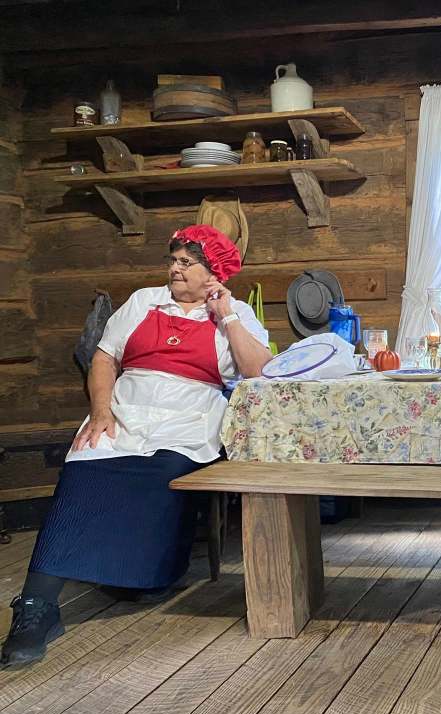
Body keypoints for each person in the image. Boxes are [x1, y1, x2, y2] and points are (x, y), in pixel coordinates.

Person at [1, 225, 272, 667]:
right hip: (127, 409)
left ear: (213, 272)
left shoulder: (234, 311)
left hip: (188, 417)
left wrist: (226, 316)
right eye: (173, 259)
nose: (174, 268)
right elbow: (104, 358)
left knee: (164, 473)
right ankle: (37, 605)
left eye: (186, 262)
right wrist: (101, 411)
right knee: (84, 464)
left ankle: (143, 576)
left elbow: (258, 371)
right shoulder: (144, 301)